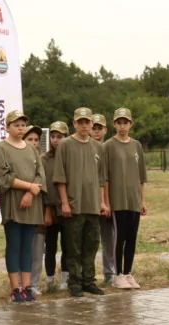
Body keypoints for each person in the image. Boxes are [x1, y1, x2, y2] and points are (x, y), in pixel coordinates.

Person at [55, 107, 108, 297]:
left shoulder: (98, 147)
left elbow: (102, 178)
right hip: (74, 204)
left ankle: (89, 280)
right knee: (73, 246)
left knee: (91, 245)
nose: (84, 125)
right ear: (74, 123)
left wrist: (102, 202)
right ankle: (74, 282)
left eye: (87, 122)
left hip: (92, 204)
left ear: (92, 124)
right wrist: (65, 203)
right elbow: (60, 176)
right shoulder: (66, 144)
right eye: (81, 122)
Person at [0, 109, 46, 302]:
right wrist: (29, 187)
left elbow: (40, 174)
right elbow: (3, 177)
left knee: (28, 247)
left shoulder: (31, 148)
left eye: (23, 124)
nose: (21, 128)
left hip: (32, 204)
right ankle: (15, 288)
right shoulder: (1, 148)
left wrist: (31, 192)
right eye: (16, 125)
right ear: (7, 127)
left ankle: (27, 287)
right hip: (13, 205)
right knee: (14, 245)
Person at [104, 108, 148, 288]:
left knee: (132, 236)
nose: (122, 126)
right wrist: (106, 201)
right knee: (119, 236)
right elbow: (105, 177)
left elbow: (141, 176)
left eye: (125, 122)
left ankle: (128, 273)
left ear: (131, 124)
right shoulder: (108, 145)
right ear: (114, 124)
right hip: (118, 199)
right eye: (119, 122)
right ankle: (118, 274)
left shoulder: (136, 145)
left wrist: (142, 200)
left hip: (133, 199)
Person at [41, 122, 70, 291]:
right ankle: (50, 278)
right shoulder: (45, 159)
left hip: (67, 208)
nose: (56, 140)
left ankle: (65, 277)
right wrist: (47, 209)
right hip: (51, 209)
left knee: (67, 245)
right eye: (53, 136)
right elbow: (45, 186)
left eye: (60, 137)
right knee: (50, 245)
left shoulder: (70, 156)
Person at [90, 113, 116, 283]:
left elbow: (109, 177)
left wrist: (107, 201)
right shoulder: (86, 147)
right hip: (90, 198)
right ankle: (88, 273)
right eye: (94, 127)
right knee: (91, 239)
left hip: (108, 198)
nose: (96, 131)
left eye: (100, 128)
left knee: (109, 237)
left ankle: (109, 271)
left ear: (105, 130)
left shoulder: (109, 148)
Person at [23, 124, 46, 297]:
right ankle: (21, 284)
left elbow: (43, 186)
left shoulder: (41, 160)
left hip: (38, 211)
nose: (33, 142)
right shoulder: (16, 157)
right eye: (29, 139)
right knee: (23, 248)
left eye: (36, 140)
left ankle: (35, 282)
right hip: (21, 210)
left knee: (38, 249)